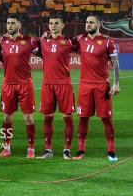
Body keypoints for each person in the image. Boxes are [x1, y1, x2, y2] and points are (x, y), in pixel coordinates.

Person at [73, 15, 120, 162]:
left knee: (106, 119)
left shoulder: (107, 42)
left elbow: (115, 63)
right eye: (86, 22)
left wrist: (116, 83)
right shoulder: (80, 39)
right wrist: (47, 34)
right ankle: (81, 150)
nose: (87, 24)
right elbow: (61, 43)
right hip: (84, 86)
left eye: (91, 22)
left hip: (101, 85)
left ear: (98, 24)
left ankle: (111, 152)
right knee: (83, 118)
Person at [36, 14, 77, 159]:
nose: (53, 26)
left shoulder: (69, 41)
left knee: (67, 116)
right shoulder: (42, 40)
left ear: (62, 25)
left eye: (56, 23)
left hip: (64, 83)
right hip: (47, 84)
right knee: (48, 117)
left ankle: (67, 150)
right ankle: (48, 150)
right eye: (51, 23)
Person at [0, 14, 38, 158]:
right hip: (8, 84)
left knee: (28, 117)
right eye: (8, 23)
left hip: (24, 83)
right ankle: (6, 148)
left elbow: (44, 52)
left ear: (19, 25)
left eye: (13, 23)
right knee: (7, 117)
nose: (10, 26)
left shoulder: (29, 41)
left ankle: (31, 150)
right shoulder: (2, 41)